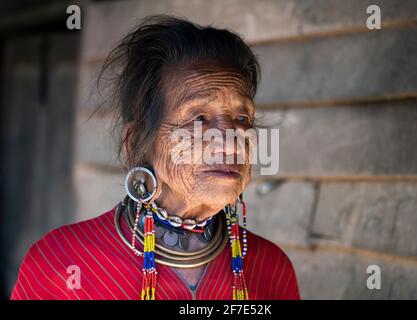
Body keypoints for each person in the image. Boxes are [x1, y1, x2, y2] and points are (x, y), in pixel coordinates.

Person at [11, 15, 300, 300]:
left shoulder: (271, 269)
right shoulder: (59, 264)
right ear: (136, 142)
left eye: (242, 117)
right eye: (199, 119)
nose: (231, 141)